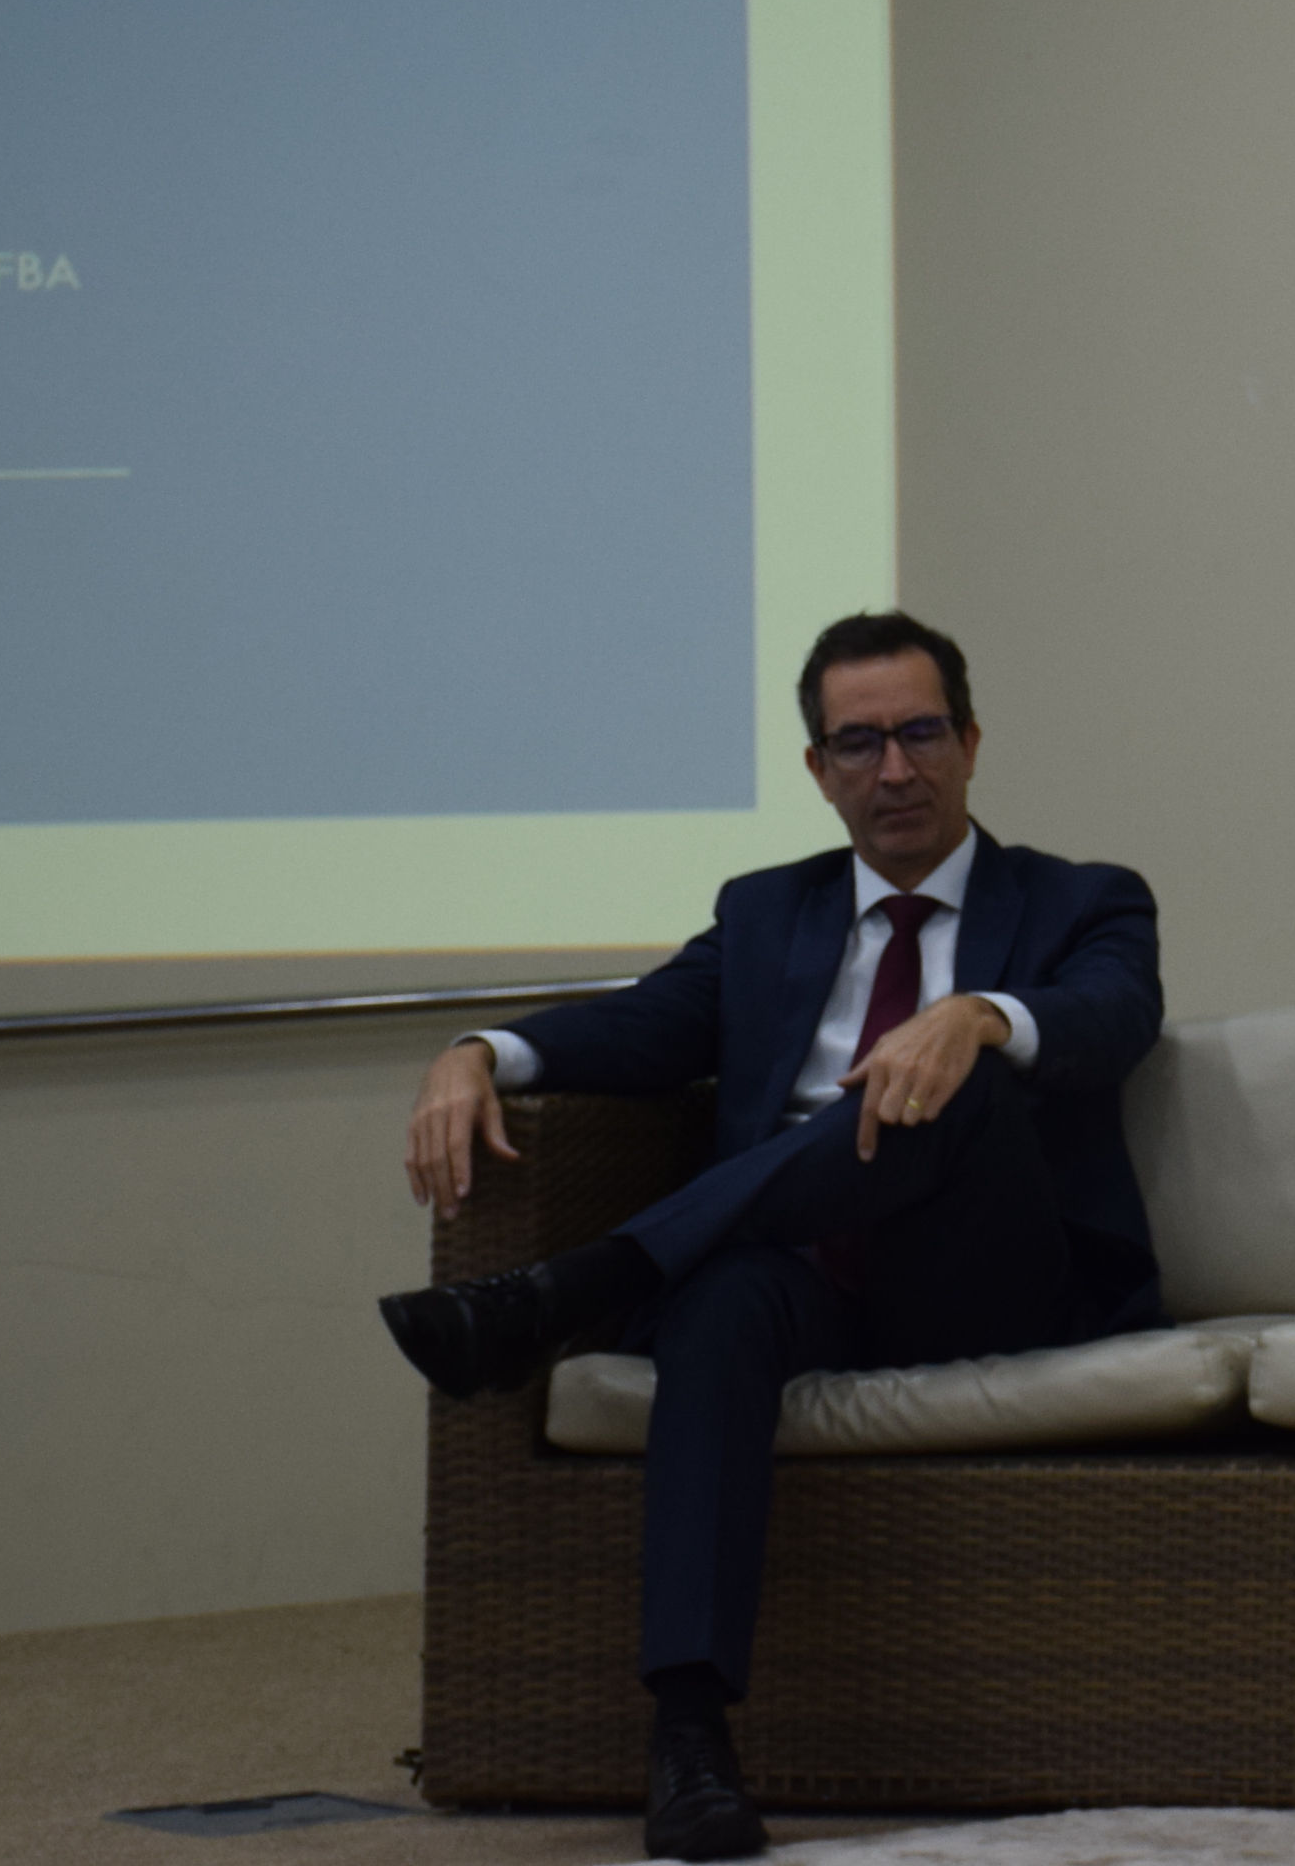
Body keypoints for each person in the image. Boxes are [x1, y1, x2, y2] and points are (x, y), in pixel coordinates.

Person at [373, 612, 1163, 1865]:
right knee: (723, 1302)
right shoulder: (765, 913)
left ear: (969, 743)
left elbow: (1114, 1014)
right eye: (858, 743)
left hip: (984, 1277)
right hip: (802, 1277)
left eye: (919, 734)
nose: (892, 770)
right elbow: (645, 1025)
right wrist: (481, 1050)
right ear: (817, 769)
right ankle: (689, 1742)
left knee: (946, 1082)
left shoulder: (1082, 899)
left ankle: (575, 1290)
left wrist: (973, 1015)